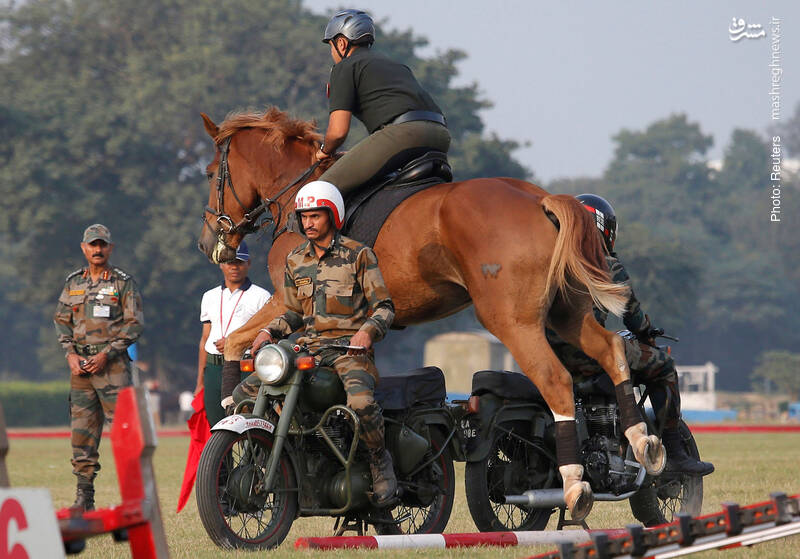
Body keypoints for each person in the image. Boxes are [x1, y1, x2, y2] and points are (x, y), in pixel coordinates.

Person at [241, 180, 397, 505]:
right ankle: (262, 463)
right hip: (308, 352)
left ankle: (379, 461)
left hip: (349, 353)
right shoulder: (296, 260)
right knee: (245, 392)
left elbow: (384, 308)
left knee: (361, 404)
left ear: (332, 216)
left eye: (316, 216)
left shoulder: (358, 255)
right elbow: (294, 312)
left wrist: (366, 332)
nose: (309, 223)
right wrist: (268, 332)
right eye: (304, 217)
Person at [547, 195, 714, 476]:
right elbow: (632, 314)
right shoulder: (603, 263)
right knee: (664, 366)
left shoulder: (545, 260)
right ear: (603, 229)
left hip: (547, 358)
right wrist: (647, 332)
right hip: (587, 357)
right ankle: (674, 452)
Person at [53, 224, 144, 511]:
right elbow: (61, 321)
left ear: (110, 248)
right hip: (80, 369)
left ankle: (134, 497)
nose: (97, 249)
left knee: (124, 433)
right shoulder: (73, 283)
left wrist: (107, 353)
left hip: (112, 368)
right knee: (81, 436)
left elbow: (135, 323)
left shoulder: (122, 282)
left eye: (102, 244)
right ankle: (84, 498)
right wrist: (69, 354)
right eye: (93, 245)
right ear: (84, 248)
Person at [315, 9, 451, 195]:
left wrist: (323, 151)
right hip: (440, 135)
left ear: (341, 43)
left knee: (322, 190)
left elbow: (338, 133)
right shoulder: (395, 64)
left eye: (330, 46)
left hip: (405, 135)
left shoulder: (345, 67)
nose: (332, 52)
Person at [197, 241, 271, 427]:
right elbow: (205, 339)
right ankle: (222, 458)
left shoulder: (261, 296)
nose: (234, 267)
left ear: (249, 263)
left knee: (248, 421)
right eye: (230, 262)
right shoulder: (209, 296)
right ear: (221, 264)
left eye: (239, 262)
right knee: (215, 423)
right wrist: (200, 381)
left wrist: (234, 343)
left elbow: (266, 337)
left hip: (244, 367)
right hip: (214, 367)